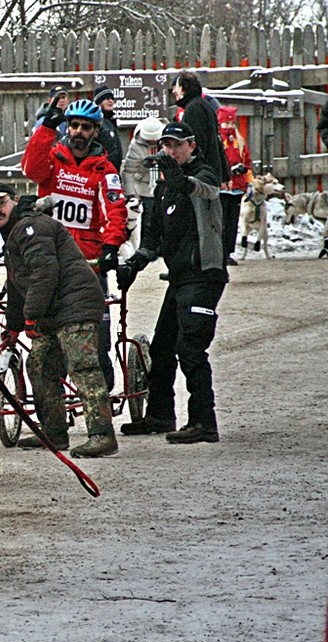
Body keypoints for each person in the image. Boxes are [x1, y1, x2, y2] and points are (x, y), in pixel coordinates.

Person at [0, 183, 118, 457]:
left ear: (16, 200)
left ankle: (102, 435)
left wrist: (30, 317)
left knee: (82, 366)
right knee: (40, 364)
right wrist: (13, 326)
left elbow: (44, 273)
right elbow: (18, 286)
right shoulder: (15, 235)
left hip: (74, 304)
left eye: (1, 202)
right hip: (55, 310)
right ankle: (54, 432)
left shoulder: (31, 226)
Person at [116, 122, 226, 444]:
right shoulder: (163, 189)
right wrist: (136, 262)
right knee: (163, 348)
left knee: (190, 347)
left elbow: (208, 190)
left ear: (191, 145)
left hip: (204, 274)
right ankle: (160, 415)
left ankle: (204, 422)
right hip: (180, 278)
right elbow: (153, 237)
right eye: (166, 145)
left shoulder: (202, 174)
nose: (172, 150)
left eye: (177, 145)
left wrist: (181, 180)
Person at [21, 98, 127, 390]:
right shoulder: (53, 159)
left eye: (86, 127)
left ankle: (101, 407)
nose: (79, 131)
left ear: (95, 131)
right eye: (75, 125)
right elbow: (30, 169)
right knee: (49, 341)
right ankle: (55, 413)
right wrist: (47, 129)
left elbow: (115, 210)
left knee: (95, 339)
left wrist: (111, 246)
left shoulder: (105, 170)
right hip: (51, 258)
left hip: (87, 264)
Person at [171, 70, 230, 185]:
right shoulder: (201, 105)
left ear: (184, 88)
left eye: (176, 87)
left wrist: (191, 172)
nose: (174, 91)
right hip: (207, 173)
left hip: (201, 176)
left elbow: (198, 143)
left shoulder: (195, 108)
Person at [217, 106, 252, 266]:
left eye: (232, 123)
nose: (230, 127)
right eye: (226, 123)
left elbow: (247, 162)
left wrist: (248, 181)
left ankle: (228, 252)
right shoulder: (217, 140)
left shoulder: (240, 140)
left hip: (237, 187)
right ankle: (220, 252)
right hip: (222, 187)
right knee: (221, 222)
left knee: (232, 222)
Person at [121, 116, 165, 230]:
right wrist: (132, 196)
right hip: (144, 189)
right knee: (148, 221)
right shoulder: (136, 146)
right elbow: (129, 172)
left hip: (165, 187)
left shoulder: (168, 143)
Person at [92, 86, 123, 171]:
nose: (110, 101)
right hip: (101, 172)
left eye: (112, 98)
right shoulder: (96, 122)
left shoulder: (110, 122)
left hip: (113, 172)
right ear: (98, 102)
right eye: (106, 98)